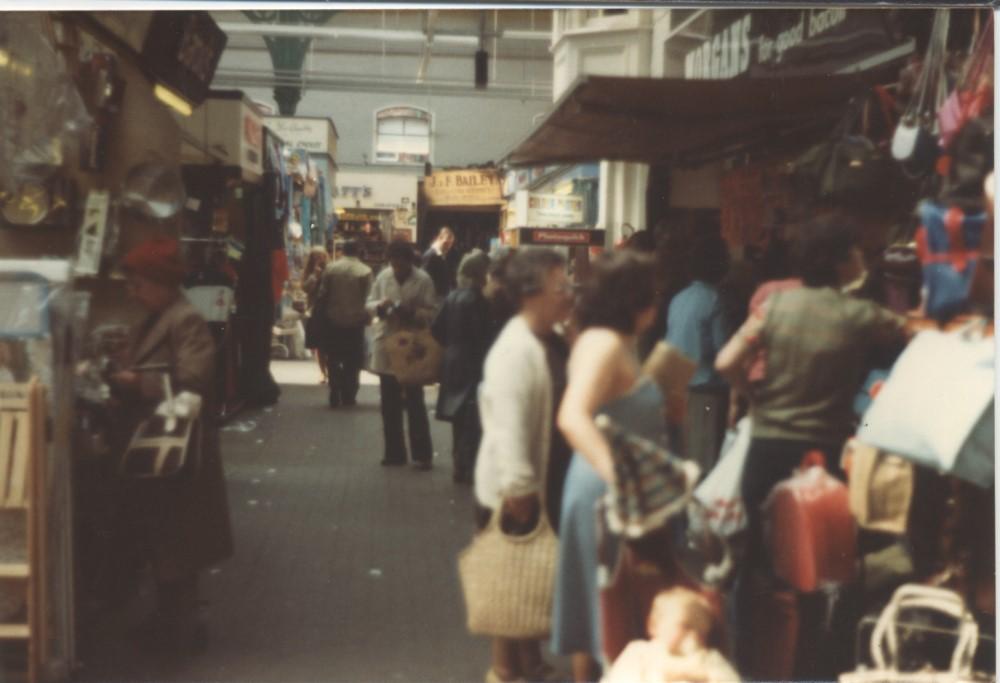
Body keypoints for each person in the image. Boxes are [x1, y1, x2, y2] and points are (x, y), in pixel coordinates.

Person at [715, 214, 909, 681]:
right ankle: (808, 669)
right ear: (843, 259)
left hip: (766, 451)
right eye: (857, 251)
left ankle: (753, 664)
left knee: (760, 566)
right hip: (822, 456)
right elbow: (910, 333)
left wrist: (754, 395)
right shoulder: (857, 314)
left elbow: (725, 361)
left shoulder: (777, 307)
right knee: (821, 572)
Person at [108, 236, 233, 654]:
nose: (133, 292)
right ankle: (172, 625)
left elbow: (194, 380)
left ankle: (180, 635)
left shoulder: (184, 319)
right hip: (156, 450)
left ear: (161, 283)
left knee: (177, 548)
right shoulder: (154, 317)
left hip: (176, 452)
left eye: (138, 284)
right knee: (164, 544)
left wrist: (137, 383)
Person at [552, 251, 659, 683]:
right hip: (608, 491)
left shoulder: (610, 341)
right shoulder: (607, 344)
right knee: (610, 610)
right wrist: (623, 479)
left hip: (606, 488)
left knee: (601, 610)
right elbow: (571, 415)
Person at [474, 247, 573, 683]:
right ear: (532, 293)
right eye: (560, 285)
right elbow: (509, 428)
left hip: (535, 481)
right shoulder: (516, 349)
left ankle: (528, 665)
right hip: (513, 491)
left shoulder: (545, 339)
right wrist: (519, 490)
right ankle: (504, 672)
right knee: (509, 591)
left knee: (525, 586)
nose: (567, 293)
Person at [366, 239, 438, 469]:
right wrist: (380, 306)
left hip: (411, 346)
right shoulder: (383, 276)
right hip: (388, 342)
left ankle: (422, 454)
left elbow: (431, 311)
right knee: (389, 404)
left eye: (401, 263)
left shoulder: (423, 280)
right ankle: (394, 453)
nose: (397, 267)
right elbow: (369, 302)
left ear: (409, 261)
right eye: (393, 263)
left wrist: (413, 312)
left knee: (415, 402)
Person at [665, 232, 731, 472]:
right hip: (706, 393)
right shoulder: (714, 299)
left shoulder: (679, 298)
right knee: (705, 460)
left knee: (684, 458)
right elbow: (723, 352)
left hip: (679, 391)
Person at [431, 250, 492, 484]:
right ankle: (467, 465)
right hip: (473, 362)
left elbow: (436, 329)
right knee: (472, 415)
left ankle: (459, 461)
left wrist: (451, 345)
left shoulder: (453, 296)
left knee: (458, 416)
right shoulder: (478, 300)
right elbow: (481, 334)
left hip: (453, 360)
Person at [604, 588, 740, 683]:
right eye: (685, 626)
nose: (692, 634)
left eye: (698, 630)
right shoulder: (640, 652)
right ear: (653, 625)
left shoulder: (708, 658)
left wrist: (703, 675)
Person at [316, 240, 373, 408]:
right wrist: (368, 318)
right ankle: (349, 393)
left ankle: (335, 389)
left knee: (333, 356)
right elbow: (369, 298)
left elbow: (322, 293)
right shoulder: (365, 271)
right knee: (353, 359)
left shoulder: (331, 269)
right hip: (356, 322)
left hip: (333, 320)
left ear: (342, 251)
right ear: (358, 251)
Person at [302, 247, 330, 384]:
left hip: (329, 311)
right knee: (318, 345)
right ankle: (323, 373)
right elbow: (305, 288)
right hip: (314, 311)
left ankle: (330, 370)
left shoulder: (331, 271)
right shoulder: (310, 273)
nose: (320, 260)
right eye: (316, 257)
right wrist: (314, 276)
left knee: (329, 343)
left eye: (322, 257)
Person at [422, 226, 456, 299]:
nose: (449, 247)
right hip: (434, 298)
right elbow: (425, 279)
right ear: (439, 238)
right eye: (446, 243)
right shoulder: (431, 255)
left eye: (451, 243)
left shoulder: (440, 255)